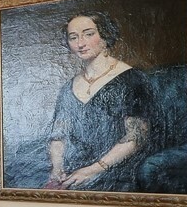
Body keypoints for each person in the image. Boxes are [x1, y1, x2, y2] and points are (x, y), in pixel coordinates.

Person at [44, 10, 151, 190]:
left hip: (112, 168)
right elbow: (58, 136)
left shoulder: (132, 79)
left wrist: (92, 170)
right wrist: (57, 168)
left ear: (105, 36)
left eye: (89, 34)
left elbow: (136, 137)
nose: (80, 43)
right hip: (72, 168)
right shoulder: (67, 88)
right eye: (73, 37)